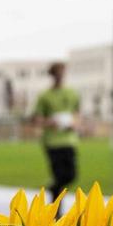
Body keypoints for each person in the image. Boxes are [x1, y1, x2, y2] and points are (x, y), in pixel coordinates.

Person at [33, 62, 80, 206]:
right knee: (59, 175)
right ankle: (56, 211)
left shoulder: (72, 93)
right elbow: (36, 118)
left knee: (71, 175)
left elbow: (77, 114)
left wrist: (74, 123)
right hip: (52, 142)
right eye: (57, 73)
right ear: (52, 75)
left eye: (62, 72)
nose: (60, 76)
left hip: (69, 140)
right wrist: (50, 122)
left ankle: (52, 189)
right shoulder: (45, 96)